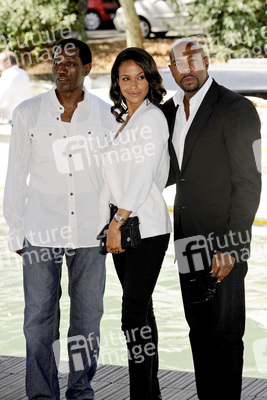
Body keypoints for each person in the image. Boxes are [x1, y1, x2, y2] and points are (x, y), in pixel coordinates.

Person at [3, 38, 114, 400]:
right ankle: (41, 395)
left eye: (70, 63)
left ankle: (80, 391)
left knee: (87, 321)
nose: (61, 69)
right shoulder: (27, 112)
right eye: (56, 63)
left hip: (89, 234)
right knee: (38, 322)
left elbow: (114, 176)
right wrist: (16, 233)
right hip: (40, 230)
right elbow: (15, 177)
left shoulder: (105, 114)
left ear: (87, 68)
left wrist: (113, 225)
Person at [161, 38, 261, 400]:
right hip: (186, 236)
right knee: (198, 330)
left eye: (194, 61)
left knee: (225, 332)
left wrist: (231, 248)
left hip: (224, 242)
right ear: (170, 69)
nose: (187, 70)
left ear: (208, 62)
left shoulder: (237, 109)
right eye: (180, 64)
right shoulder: (169, 112)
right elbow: (173, 172)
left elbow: (249, 183)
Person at [97, 47, 172, 400]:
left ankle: (139, 395)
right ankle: (150, 395)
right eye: (125, 78)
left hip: (146, 229)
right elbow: (109, 179)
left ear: (150, 78)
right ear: (117, 83)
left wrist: (117, 221)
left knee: (131, 316)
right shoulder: (120, 121)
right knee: (143, 311)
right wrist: (107, 223)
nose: (133, 85)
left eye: (140, 77)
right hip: (122, 226)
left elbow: (143, 177)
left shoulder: (153, 118)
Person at [0, 50, 32, 124]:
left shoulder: (7, 76)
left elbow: (1, 98)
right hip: (27, 117)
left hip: (11, 119)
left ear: (7, 62)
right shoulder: (23, 73)